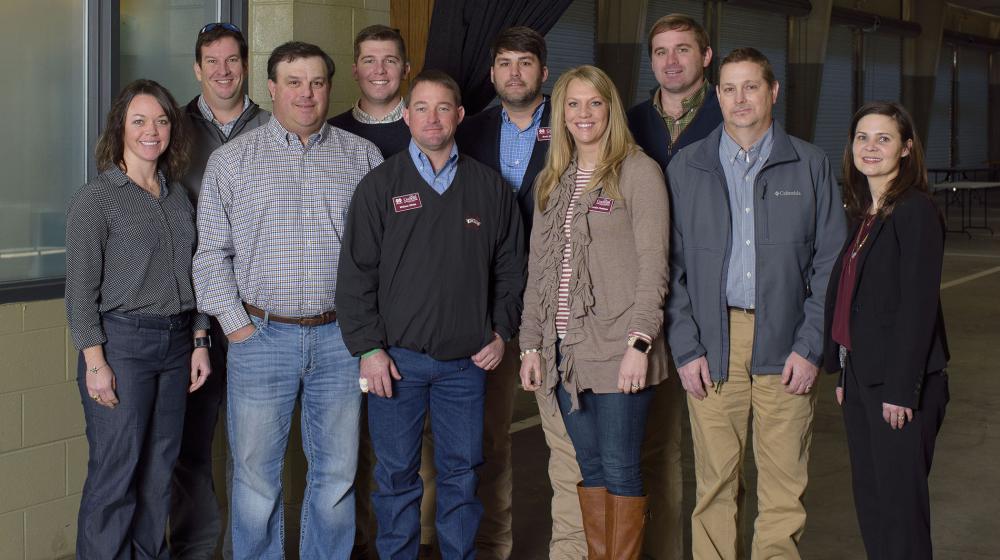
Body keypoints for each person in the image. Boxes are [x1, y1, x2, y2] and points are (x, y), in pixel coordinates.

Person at [193, 41, 384, 559]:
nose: (306, 93)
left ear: (329, 88)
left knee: (337, 473)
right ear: (271, 88)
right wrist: (237, 327)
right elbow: (210, 254)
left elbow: (378, 256)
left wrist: (366, 333)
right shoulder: (233, 162)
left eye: (317, 82)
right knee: (255, 479)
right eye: (294, 82)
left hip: (340, 340)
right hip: (261, 336)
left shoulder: (362, 157)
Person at [664, 47, 846, 559]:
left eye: (750, 86)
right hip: (711, 342)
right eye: (728, 88)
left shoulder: (809, 164)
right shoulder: (686, 168)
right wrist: (686, 347)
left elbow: (830, 264)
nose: (739, 98)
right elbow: (669, 269)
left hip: (786, 341)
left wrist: (811, 346)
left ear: (773, 92)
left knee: (784, 486)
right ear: (715, 95)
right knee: (715, 485)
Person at [336, 69, 526, 560]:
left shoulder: (489, 188)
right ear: (406, 115)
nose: (432, 118)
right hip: (395, 363)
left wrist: (502, 331)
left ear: (460, 116)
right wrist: (369, 349)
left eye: (444, 108)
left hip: (466, 364)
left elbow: (511, 269)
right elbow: (356, 276)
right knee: (396, 477)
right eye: (421, 107)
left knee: (461, 477)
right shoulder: (380, 186)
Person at [441, 25, 585, 560]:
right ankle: (493, 545)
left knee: (571, 440)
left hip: (564, 300)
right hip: (490, 306)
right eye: (504, 63)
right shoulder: (470, 131)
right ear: (492, 71)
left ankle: (575, 547)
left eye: (525, 63)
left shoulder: (575, 123)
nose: (514, 73)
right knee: (490, 440)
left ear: (544, 73)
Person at [519, 64, 671, 560]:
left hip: (618, 350)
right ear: (561, 113)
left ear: (611, 110)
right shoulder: (552, 180)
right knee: (591, 468)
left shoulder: (638, 172)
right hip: (566, 356)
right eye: (573, 104)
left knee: (622, 468)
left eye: (595, 103)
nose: (584, 114)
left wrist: (639, 343)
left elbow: (654, 266)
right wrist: (531, 344)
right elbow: (538, 273)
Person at [66, 79, 213, 559]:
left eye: (162, 120)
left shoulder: (176, 197)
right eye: (139, 120)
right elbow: (80, 293)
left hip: (175, 346)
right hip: (122, 348)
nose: (153, 130)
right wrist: (95, 363)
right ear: (120, 129)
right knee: (116, 474)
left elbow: (194, 277)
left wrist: (198, 339)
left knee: (159, 473)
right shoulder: (96, 199)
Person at [822, 101, 949, 560]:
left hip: (899, 387)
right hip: (861, 377)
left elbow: (917, 307)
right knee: (873, 505)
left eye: (883, 138)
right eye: (862, 137)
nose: (869, 147)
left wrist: (900, 389)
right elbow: (855, 301)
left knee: (900, 513)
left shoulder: (914, 210)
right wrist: (844, 369)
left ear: (907, 149)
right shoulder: (866, 213)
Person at [625, 14, 723, 559]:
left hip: (714, 299)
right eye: (660, 51)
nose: (670, 61)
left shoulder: (728, 112)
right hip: (649, 299)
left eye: (682, 50)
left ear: (705, 57)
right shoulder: (632, 121)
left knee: (717, 454)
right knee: (655, 447)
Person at [171, 22, 269, 560]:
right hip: (194, 320)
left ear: (246, 65)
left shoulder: (272, 128)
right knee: (191, 447)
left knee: (253, 450)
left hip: (256, 318)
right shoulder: (174, 131)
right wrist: (197, 327)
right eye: (212, 61)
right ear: (198, 68)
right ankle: (195, 549)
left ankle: (245, 551)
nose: (223, 71)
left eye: (233, 60)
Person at [328, 24, 411, 159]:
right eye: (369, 61)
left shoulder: (429, 129)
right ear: (355, 72)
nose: (379, 70)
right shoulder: (330, 132)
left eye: (390, 60)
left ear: (405, 71)